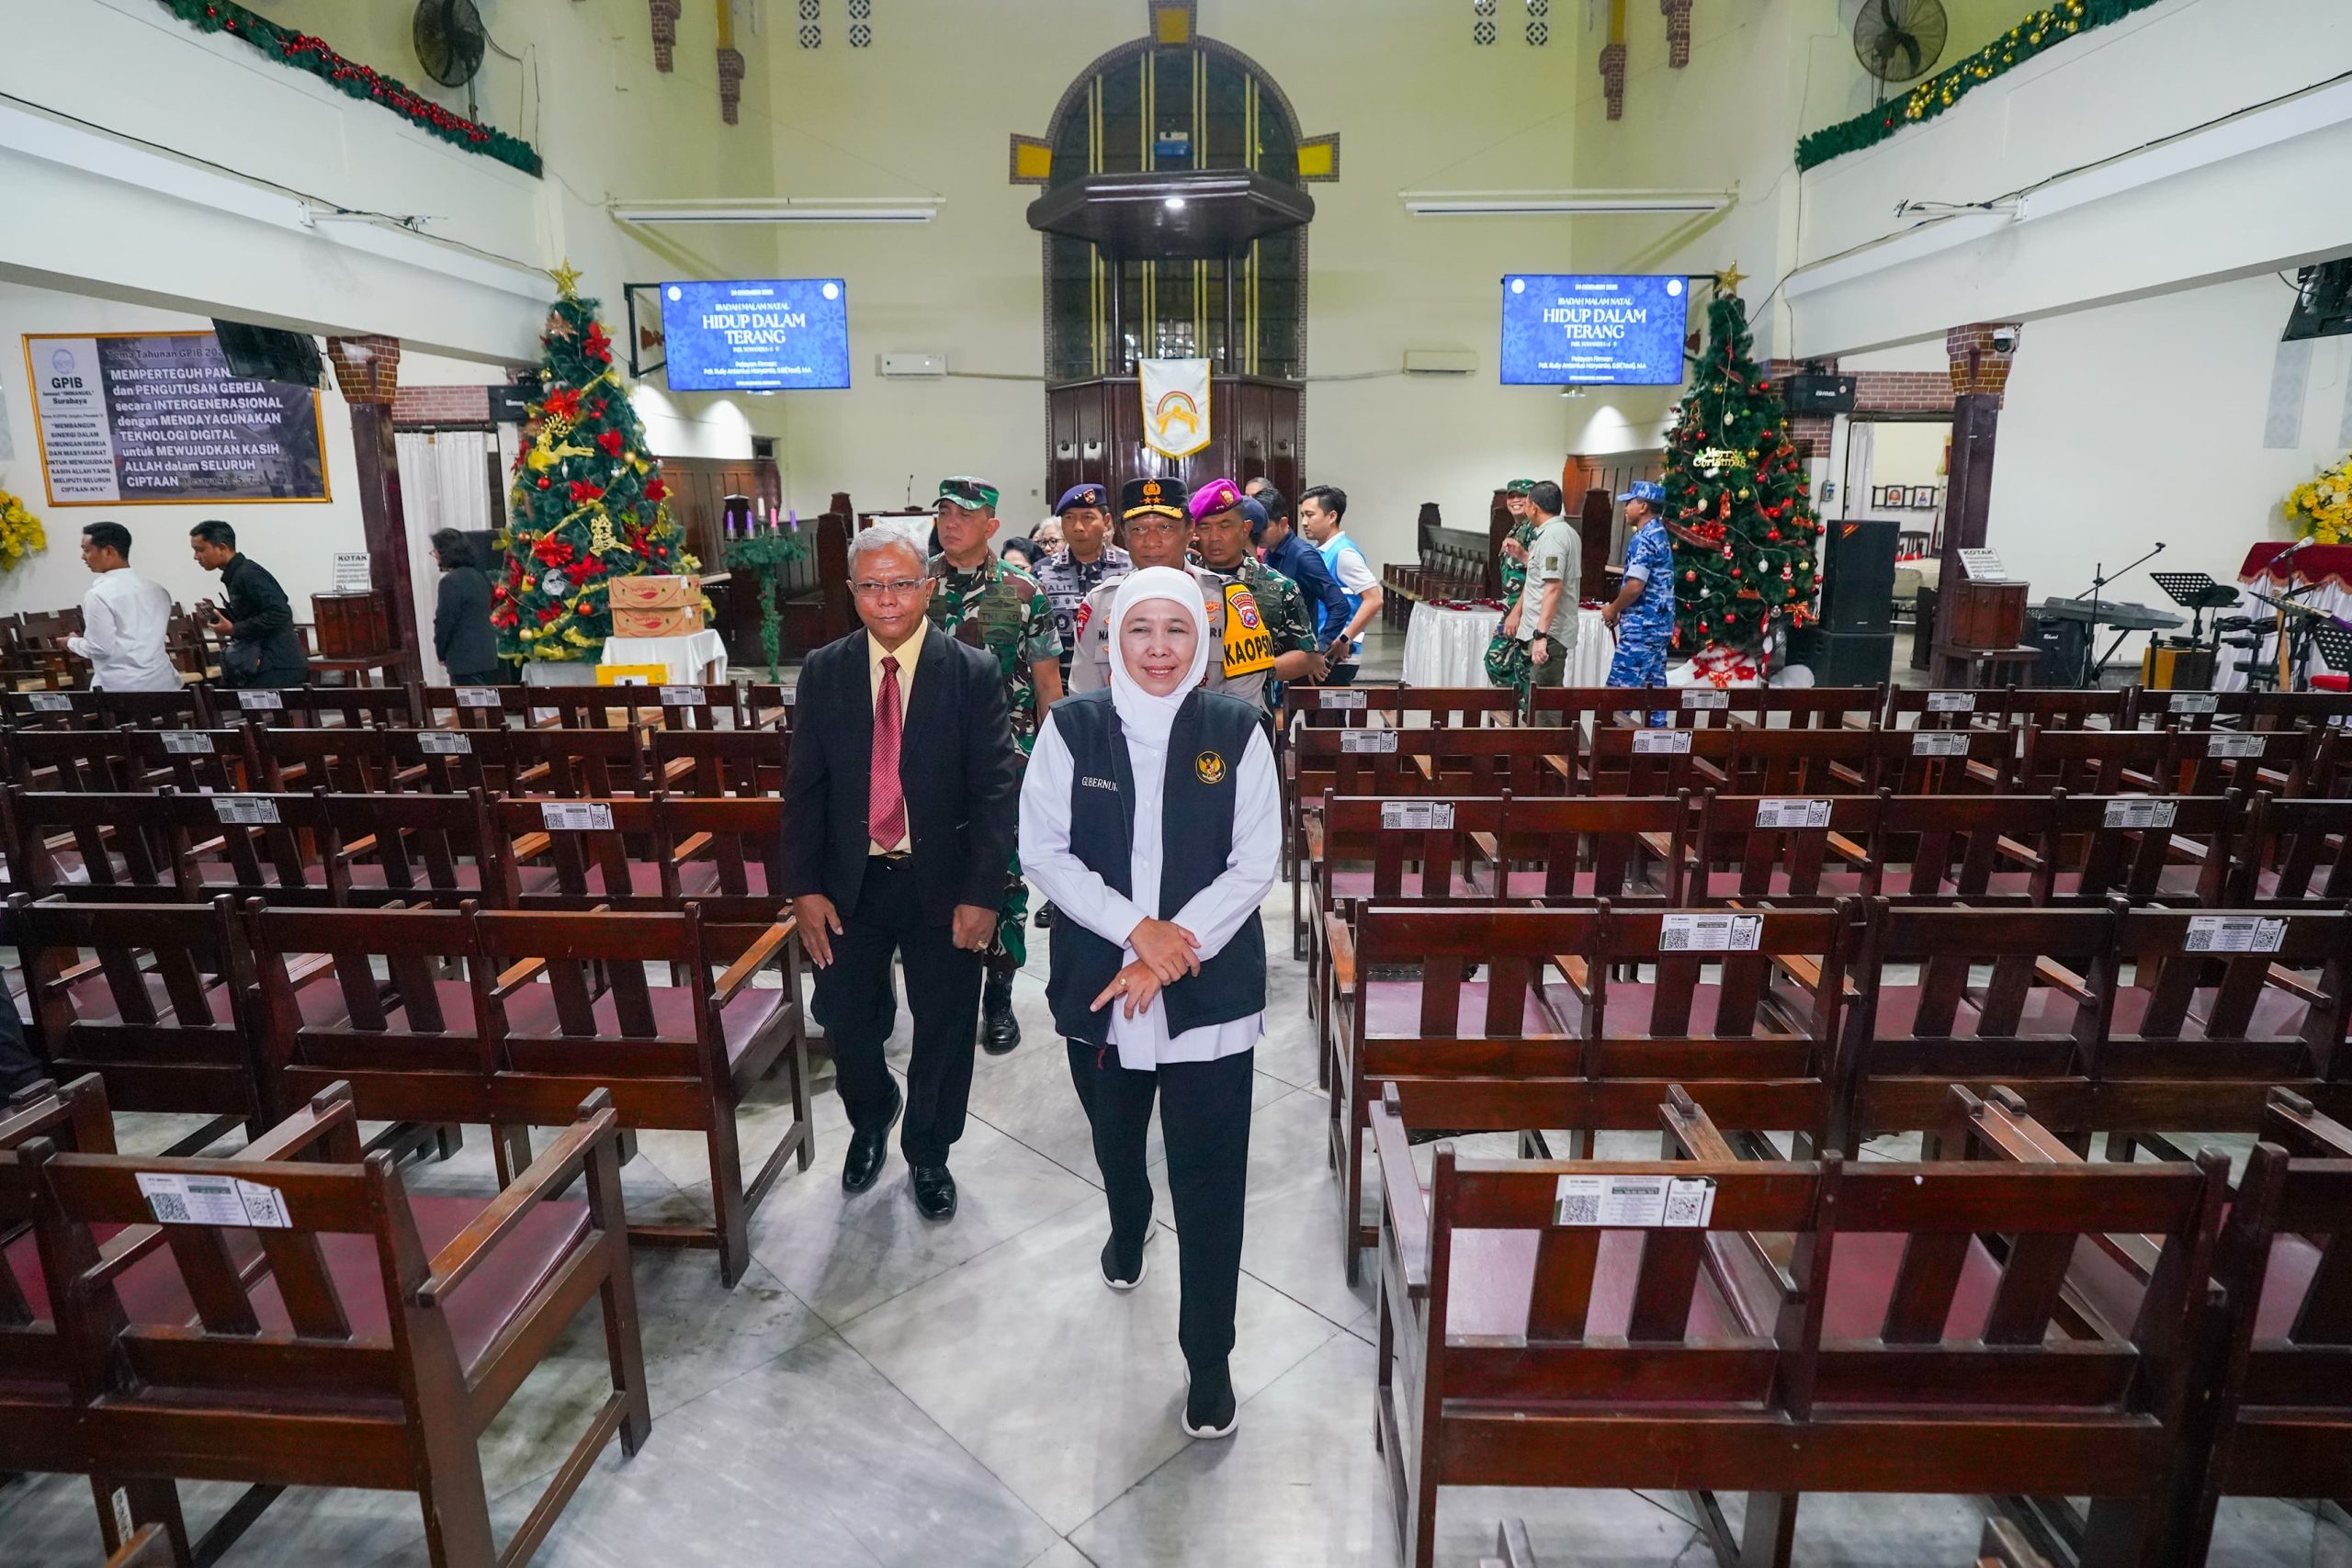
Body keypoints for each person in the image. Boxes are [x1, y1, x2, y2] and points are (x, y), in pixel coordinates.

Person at [1020, 565, 1278, 1442]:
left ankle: (1209, 1360)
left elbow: (1255, 864)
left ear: (1201, 640)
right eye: (1141, 629)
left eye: (1177, 629)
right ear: (1111, 639)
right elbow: (1044, 851)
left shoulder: (1238, 731)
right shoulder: (1071, 728)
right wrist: (1138, 931)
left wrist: (1171, 948)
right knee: (1116, 1140)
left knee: (1210, 1185)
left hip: (1208, 992)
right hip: (1101, 985)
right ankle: (1127, 1221)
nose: (1159, 648)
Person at [780, 517, 1020, 1222]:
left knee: (944, 1025)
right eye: (871, 586)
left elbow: (994, 792)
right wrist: (803, 887)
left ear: (928, 587)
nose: (887, 599)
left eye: (902, 584)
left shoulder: (971, 672)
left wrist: (984, 893)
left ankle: (928, 1150)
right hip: (847, 884)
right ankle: (872, 1112)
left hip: (943, 883)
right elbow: (805, 788)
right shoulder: (825, 670)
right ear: (852, 591)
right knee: (846, 1020)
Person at [926, 475, 1066, 1055]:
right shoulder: (914, 585)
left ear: (991, 525)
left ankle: (999, 994)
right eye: (944, 512)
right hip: (926, 761)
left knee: (1003, 875)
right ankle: (947, 990)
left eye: (965, 514)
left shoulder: (1023, 591)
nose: (951, 522)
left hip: (1003, 761)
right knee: (934, 873)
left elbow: (1048, 687)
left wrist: (1055, 768)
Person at [1187, 478, 1326, 707]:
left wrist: (1254, 670)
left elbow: (1307, 657)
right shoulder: (1184, 582)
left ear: (1245, 529)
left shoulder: (1278, 587)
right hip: (1190, 711)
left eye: (1225, 526)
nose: (1214, 537)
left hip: (1253, 711)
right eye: (1205, 527)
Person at [188, 520, 307, 689]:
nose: (196, 557)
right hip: (266, 663)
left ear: (222, 548)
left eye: (200, 550)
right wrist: (219, 614)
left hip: (276, 665)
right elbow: (253, 613)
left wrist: (233, 629)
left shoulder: (247, 573)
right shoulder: (237, 573)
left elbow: (280, 612)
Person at [1032, 483, 1131, 679]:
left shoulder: (1130, 568)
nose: (1078, 527)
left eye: (1088, 517)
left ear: (1106, 522)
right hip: (1060, 685)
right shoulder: (1041, 572)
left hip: (1119, 684)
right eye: (1069, 518)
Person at [66, 522, 177, 693]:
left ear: (108, 551)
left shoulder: (98, 595)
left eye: (87, 550)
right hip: (164, 683)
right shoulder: (158, 590)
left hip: (122, 690)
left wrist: (71, 642)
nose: (83, 557)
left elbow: (100, 649)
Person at [1296, 485, 1385, 685]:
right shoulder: (1320, 551)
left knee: (1327, 706)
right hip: (1321, 650)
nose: (1304, 522)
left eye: (1310, 515)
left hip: (1337, 655)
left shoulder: (1344, 554)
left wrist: (1345, 638)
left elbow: (1374, 599)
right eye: (1302, 515)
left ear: (1331, 516)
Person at [1251, 487, 1351, 661]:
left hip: (1298, 657)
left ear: (1283, 523)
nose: (1258, 534)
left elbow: (1340, 605)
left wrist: (1320, 648)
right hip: (1275, 654)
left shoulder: (1302, 556)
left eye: (1264, 527)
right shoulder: (1269, 553)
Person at [1501, 480, 1581, 701]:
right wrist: (1523, 556)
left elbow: (1553, 587)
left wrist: (1541, 636)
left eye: (1527, 502)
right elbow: (1544, 571)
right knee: (1537, 699)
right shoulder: (1559, 532)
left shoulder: (1553, 537)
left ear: (1534, 507)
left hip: (1550, 633)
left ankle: (1546, 727)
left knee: (1544, 703)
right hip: (1546, 631)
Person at [1602, 479, 1678, 698]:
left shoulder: (1643, 539)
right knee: (1652, 697)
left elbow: (1635, 585)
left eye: (1629, 503)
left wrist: (1613, 608)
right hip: (1659, 626)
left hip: (1641, 629)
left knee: (1616, 699)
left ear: (1643, 507)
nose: (1625, 508)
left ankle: (1614, 724)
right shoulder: (1660, 533)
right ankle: (1656, 723)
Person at [1483, 479, 1540, 687]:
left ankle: (1523, 703)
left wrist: (1516, 614)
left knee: (1505, 663)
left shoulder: (1533, 531)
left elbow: (1535, 575)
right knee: (1502, 662)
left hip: (1525, 611)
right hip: (1512, 609)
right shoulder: (1516, 529)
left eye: (1521, 496)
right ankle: (1517, 702)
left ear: (1532, 501)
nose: (1516, 500)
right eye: (1512, 496)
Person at [429, 529, 501, 687]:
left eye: (435, 551)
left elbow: (445, 621)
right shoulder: (478, 577)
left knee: (468, 702)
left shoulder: (450, 582)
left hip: (464, 658)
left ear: (445, 552)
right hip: (486, 655)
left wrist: (441, 653)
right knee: (488, 700)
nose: (435, 555)